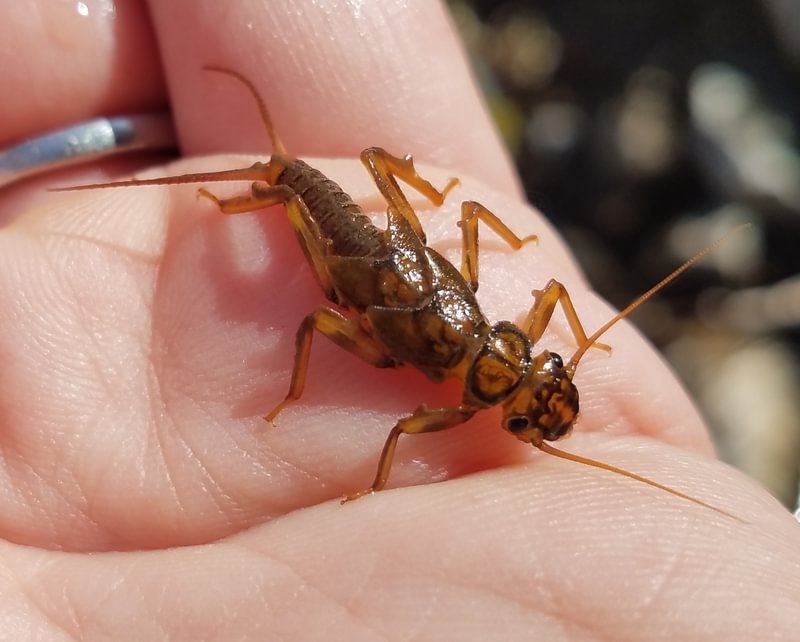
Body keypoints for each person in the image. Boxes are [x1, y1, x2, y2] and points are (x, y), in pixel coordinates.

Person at [0, 1, 797, 639]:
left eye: (529, 394)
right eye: (533, 391)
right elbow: (399, 421)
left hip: (397, 259)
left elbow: (516, 261)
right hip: (358, 277)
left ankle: (275, 189)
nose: (528, 399)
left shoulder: (492, 348)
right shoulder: (457, 403)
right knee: (317, 307)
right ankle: (267, 194)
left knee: (391, 210)